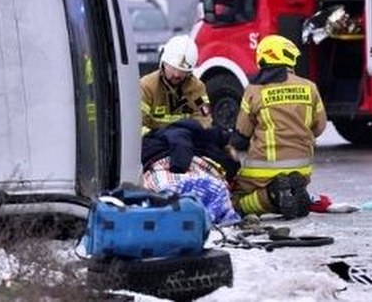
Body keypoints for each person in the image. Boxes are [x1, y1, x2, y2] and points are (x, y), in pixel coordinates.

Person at [230, 34, 327, 219]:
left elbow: (243, 132)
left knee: (235, 200)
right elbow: (319, 127)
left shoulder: (254, 90)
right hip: (303, 168)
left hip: (262, 168)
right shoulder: (310, 87)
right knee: (288, 187)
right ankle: (290, 191)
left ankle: (273, 196)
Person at [140, 34, 212, 135]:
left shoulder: (197, 88)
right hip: (156, 143)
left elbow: (204, 117)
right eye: (173, 68)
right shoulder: (147, 87)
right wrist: (158, 139)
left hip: (185, 142)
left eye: (183, 71)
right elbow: (138, 124)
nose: (177, 75)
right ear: (163, 64)